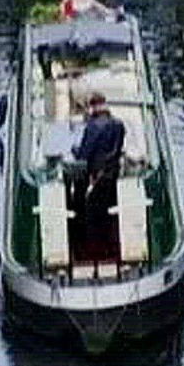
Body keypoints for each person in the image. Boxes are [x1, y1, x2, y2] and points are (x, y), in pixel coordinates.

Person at [68, 90, 127, 261]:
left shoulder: (93, 127)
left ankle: (91, 252)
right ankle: (112, 247)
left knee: (91, 215)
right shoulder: (119, 124)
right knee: (108, 213)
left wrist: (74, 149)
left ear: (92, 107)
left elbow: (84, 156)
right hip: (112, 176)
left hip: (96, 179)